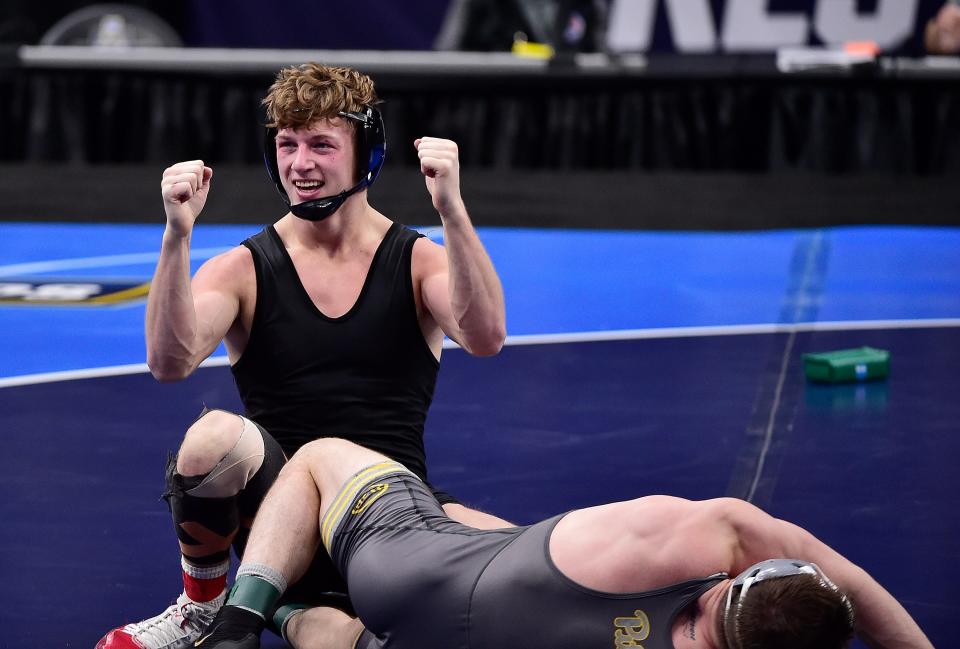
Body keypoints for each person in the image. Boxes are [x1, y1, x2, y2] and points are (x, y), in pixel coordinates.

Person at [96, 63, 509, 649]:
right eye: (287, 145)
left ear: (365, 153)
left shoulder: (416, 261)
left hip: (388, 509)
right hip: (281, 526)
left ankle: (299, 610)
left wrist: (453, 211)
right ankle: (203, 609)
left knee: (529, 558)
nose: (300, 164)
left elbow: (485, 336)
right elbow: (169, 361)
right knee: (211, 437)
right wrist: (177, 236)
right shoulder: (244, 268)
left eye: (321, 144)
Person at [192, 437, 933, 649]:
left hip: (414, 573)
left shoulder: (712, 534)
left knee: (319, 455)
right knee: (360, 640)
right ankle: (290, 618)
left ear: (737, 579)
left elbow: (848, 581)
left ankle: (237, 616)